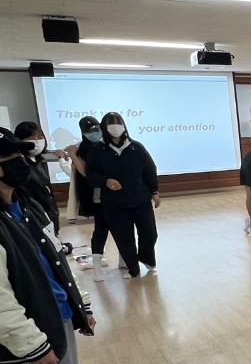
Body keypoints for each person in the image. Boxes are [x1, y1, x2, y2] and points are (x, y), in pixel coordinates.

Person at [0, 129, 96, 364]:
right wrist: (31, 345)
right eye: (9, 159)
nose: (20, 164)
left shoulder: (28, 206)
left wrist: (81, 304)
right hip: (24, 343)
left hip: (58, 319)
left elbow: (58, 262)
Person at [86, 112, 160, 279]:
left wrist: (155, 191)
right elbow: (91, 175)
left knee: (150, 234)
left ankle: (146, 258)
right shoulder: (97, 150)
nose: (115, 126)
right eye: (111, 123)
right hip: (114, 203)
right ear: (104, 127)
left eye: (118, 122)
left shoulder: (136, 147)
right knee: (124, 238)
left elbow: (150, 170)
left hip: (140, 199)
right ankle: (133, 269)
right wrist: (105, 181)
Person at [65, 116, 117, 282]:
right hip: (97, 197)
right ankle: (97, 267)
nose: (95, 132)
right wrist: (73, 156)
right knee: (101, 230)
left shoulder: (108, 144)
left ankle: (125, 261)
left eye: (97, 128)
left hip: (116, 194)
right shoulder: (81, 149)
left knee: (121, 229)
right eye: (90, 130)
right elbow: (86, 173)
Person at [13, 121, 60, 233]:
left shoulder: (39, 160)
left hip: (49, 214)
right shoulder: (19, 164)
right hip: (33, 217)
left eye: (40, 137)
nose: (37, 141)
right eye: (30, 138)